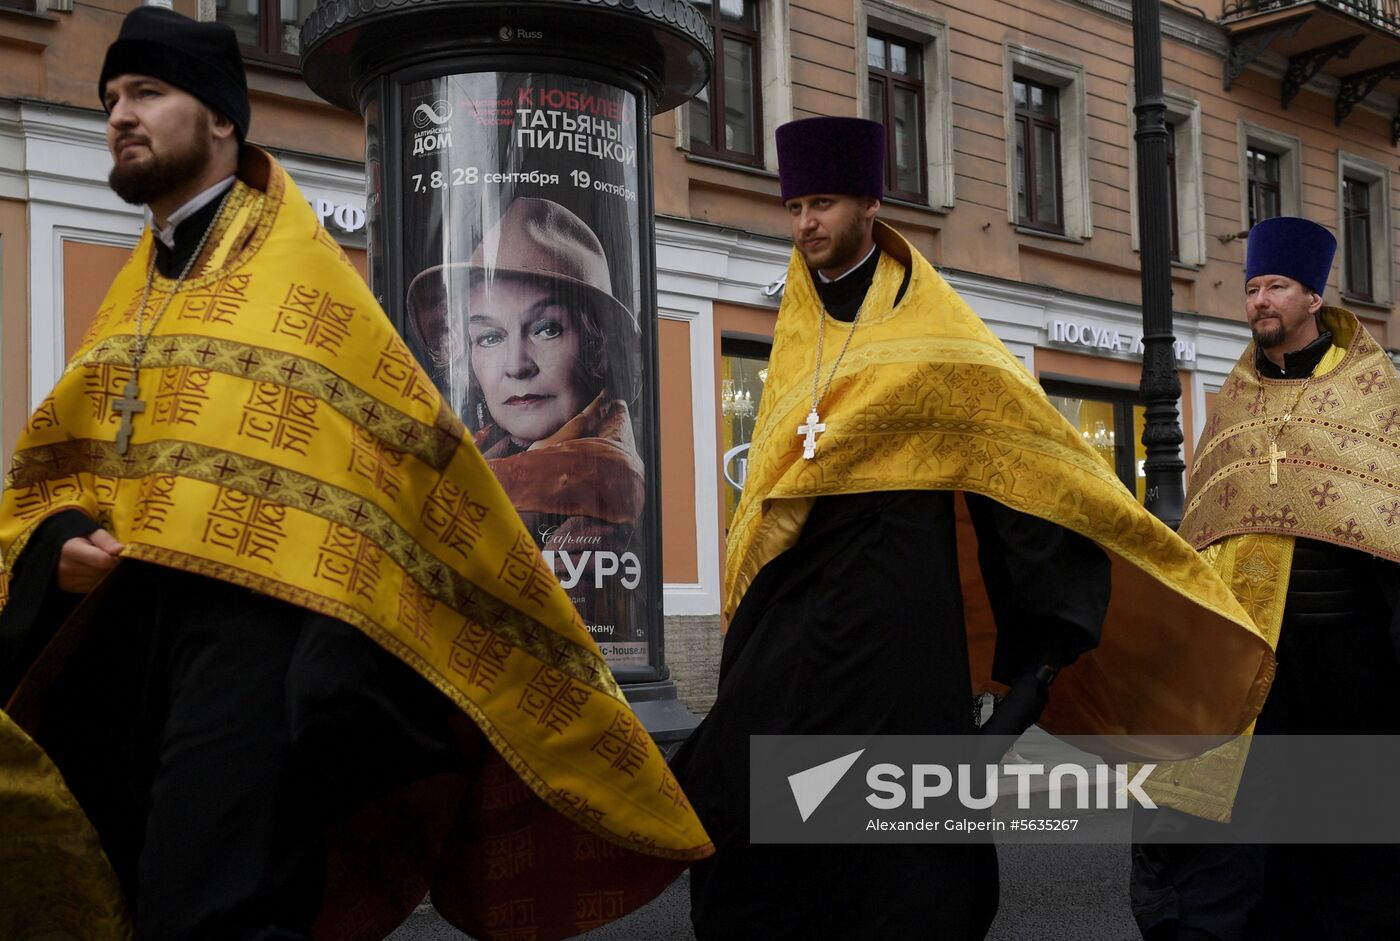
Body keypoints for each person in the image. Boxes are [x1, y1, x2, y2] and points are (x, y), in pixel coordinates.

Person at [0, 9, 709, 941]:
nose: (120, 116)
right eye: (110, 101)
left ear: (221, 116)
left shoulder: (298, 278)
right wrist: (56, 543)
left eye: (147, 93)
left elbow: (396, 468)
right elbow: (69, 464)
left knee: (211, 903)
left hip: (250, 656)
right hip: (127, 656)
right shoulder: (140, 290)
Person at [669, 115, 1277, 940]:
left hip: (896, 641)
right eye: (796, 206)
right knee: (745, 825)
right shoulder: (796, 332)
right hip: (789, 634)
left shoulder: (940, 335)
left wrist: (1032, 671)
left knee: (900, 862)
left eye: (823, 203)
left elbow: (1021, 482)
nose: (806, 222)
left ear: (870, 205)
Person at [1130, 217, 1400, 941]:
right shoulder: (1236, 400)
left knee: (1354, 831)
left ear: (1313, 296)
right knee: (1261, 821)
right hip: (1260, 657)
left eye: (1275, 286)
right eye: (1251, 288)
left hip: (1353, 662)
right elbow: (1207, 522)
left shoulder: (1373, 391)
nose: (1259, 301)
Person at [405, 198, 645, 640]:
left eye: (546, 329)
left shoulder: (603, 498)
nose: (516, 365)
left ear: (596, 346)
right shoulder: (481, 459)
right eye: (489, 337)